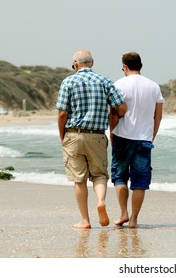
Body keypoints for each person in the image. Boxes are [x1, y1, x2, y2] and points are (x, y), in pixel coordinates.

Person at [56, 49, 127, 229]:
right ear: (92, 63)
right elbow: (121, 107)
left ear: (75, 64)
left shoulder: (68, 81)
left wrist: (62, 135)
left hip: (74, 134)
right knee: (99, 175)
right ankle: (101, 201)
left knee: (79, 179)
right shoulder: (104, 81)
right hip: (96, 135)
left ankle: (85, 220)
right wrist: (113, 122)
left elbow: (62, 113)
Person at [110, 52, 164, 228]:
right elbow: (158, 117)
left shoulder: (118, 85)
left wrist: (111, 133)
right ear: (141, 65)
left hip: (122, 137)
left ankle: (123, 213)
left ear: (124, 67)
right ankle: (134, 220)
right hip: (144, 139)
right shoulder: (154, 86)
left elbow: (114, 113)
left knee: (119, 177)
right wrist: (151, 135)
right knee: (140, 182)